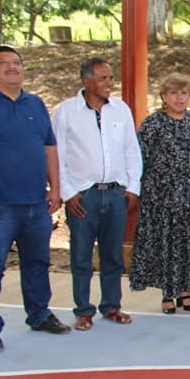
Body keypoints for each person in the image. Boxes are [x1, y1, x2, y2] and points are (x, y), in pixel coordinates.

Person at [53, 57, 142, 331]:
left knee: (113, 255)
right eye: (103, 78)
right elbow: (57, 156)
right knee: (81, 255)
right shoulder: (66, 112)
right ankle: (83, 310)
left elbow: (131, 149)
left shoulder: (120, 110)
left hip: (116, 194)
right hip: (83, 196)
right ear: (86, 81)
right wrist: (68, 193)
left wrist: (132, 187)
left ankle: (111, 306)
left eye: (111, 78)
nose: (109, 84)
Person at [0, 45, 69, 351]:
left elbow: (49, 147)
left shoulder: (35, 104)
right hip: (0, 206)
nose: (13, 67)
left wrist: (55, 188)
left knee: (38, 262)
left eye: (17, 63)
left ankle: (39, 314)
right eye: (4, 63)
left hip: (36, 204)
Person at [130, 74, 190, 314]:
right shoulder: (153, 123)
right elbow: (139, 157)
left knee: (188, 241)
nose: (180, 98)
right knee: (167, 243)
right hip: (162, 196)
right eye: (174, 93)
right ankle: (168, 293)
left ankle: (186, 292)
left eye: (184, 93)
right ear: (164, 97)